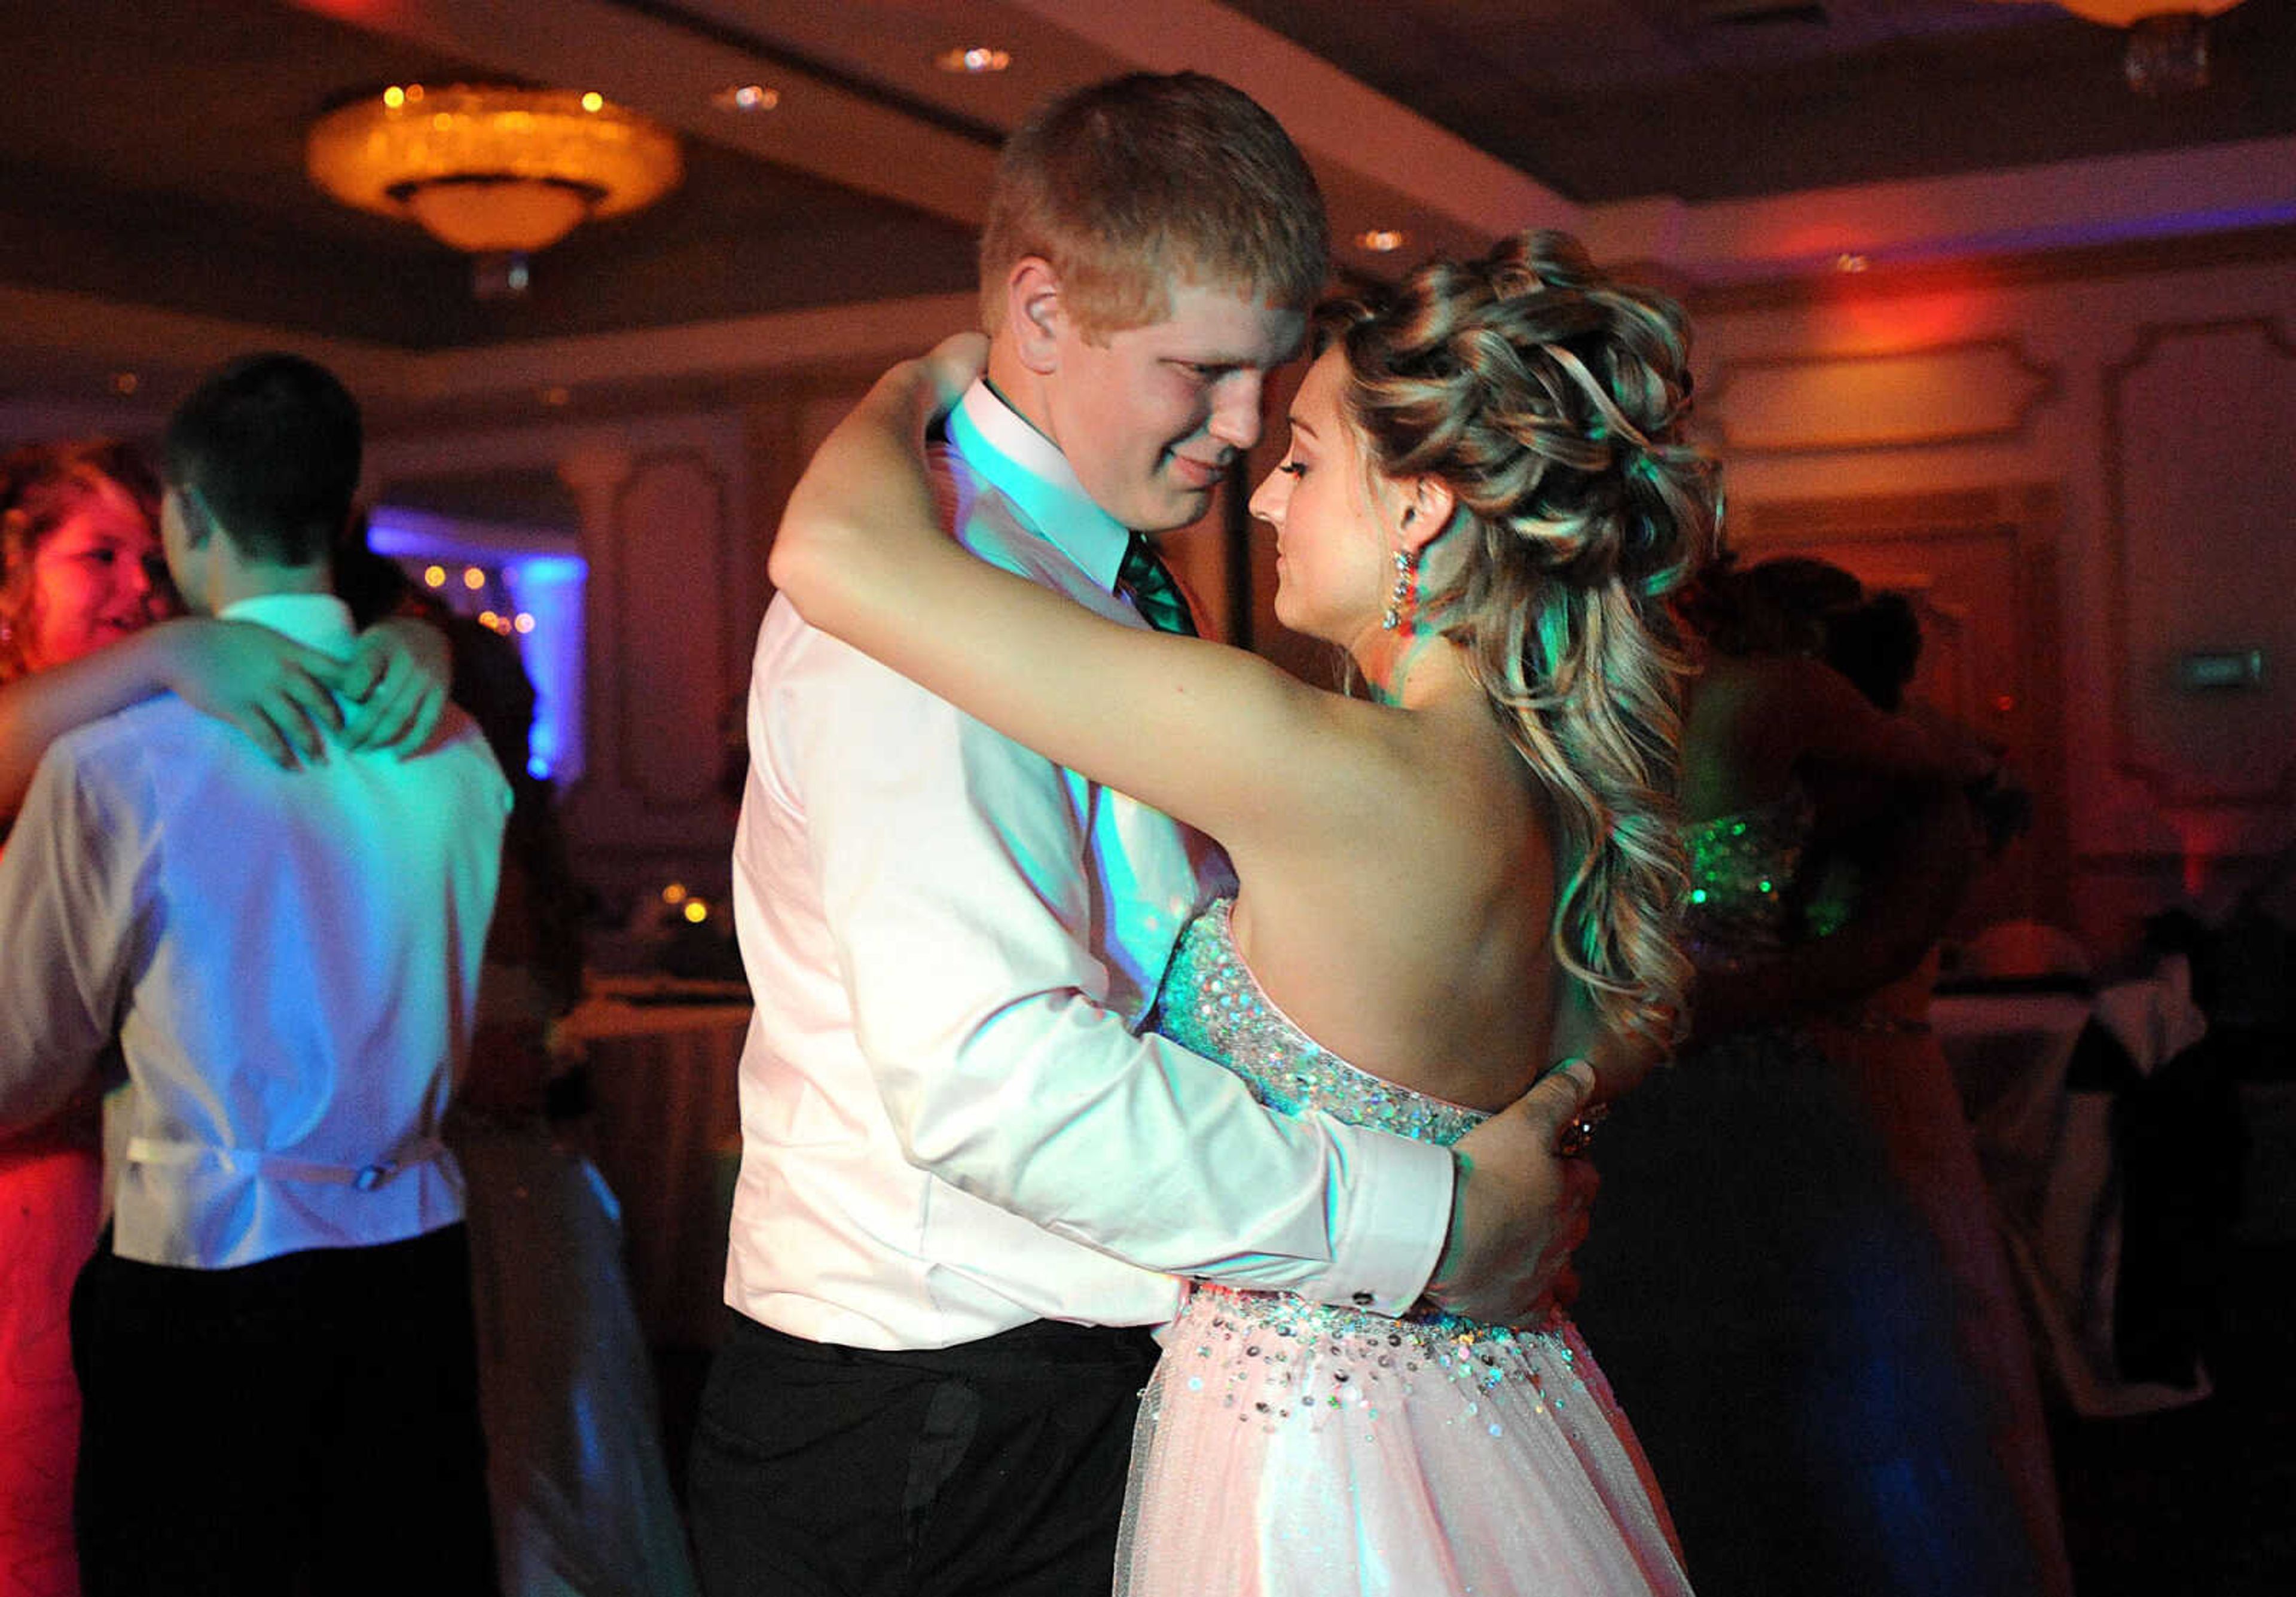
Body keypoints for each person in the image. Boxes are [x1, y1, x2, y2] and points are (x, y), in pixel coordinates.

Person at [694, 74, 1616, 1597]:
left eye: (1272, 382)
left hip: (1098, 1377)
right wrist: (1427, 1224)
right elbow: (998, 1085)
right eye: (1202, 370)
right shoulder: (918, 618)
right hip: (939, 1418)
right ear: (1042, 314)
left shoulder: (1080, 580)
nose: (1247, 436)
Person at [0, 355, 510, 1596]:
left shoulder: (126, 760)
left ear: (184, 516)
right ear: (340, 515)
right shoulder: (454, 746)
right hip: (418, 1265)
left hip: (210, 1277)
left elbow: (16, 1060)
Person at [1570, 556, 2050, 1597]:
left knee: (1704, 1390)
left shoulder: (1633, 707)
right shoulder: (1769, 690)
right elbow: (1953, 770)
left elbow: (1949, 792)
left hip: (1660, 1082)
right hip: (1720, 1081)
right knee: (1771, 1391)